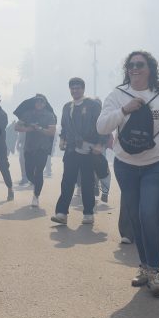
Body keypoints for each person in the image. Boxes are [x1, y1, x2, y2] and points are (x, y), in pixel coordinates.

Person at [97, 51, 159, 296]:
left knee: (148, 215)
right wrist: (124, 110)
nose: (135, 68)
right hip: (125, 164)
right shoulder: (117, 95)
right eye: (131, 65)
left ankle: (155, 271)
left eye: (140, 64)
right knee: (135, 217)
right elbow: (102, 126)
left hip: (157, 163)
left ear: (150, 69)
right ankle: (144, 267)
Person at [51, 77, 104, 225]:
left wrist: (100, 144)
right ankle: (62, 213)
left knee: (87, 182)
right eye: (72, 88)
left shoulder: (93, 105)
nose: (75, 91)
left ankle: (88, 213)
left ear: (83, 89)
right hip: (71, 149)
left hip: (88, 150)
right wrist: (62, 140)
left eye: (78, 88)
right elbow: (64, 126)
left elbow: (101, 125)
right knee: (67, 181)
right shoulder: (67, 107)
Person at [15, 94, 57, 207]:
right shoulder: (27, 114)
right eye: (37, 101)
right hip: (29, 147)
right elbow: (17, 127)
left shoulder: (49, 115)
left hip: (42, 148)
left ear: (45, 104)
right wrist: (28, 128)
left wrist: (39, 128)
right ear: (34, 103)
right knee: (29, 173)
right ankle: (36, 183)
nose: (39, 104)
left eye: (41, 102)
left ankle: (36, 196)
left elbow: (52, 132)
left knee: (39, 172)